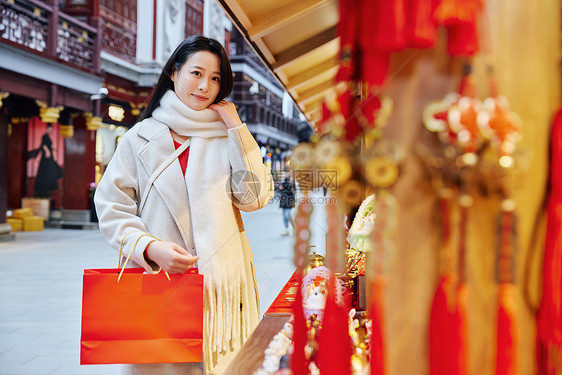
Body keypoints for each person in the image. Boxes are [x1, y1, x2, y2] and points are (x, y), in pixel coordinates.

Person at [94, 35, 274, 375]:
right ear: (174, 73)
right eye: (196, 73)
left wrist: (236, 128)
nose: (205, 85)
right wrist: (149, 248)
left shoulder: (227, 137)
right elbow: (111, 205)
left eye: (216, 78)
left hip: (221, 291)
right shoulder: (140, 136)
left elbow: (254, 198)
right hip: (159, 282)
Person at [32, 124, 62, 198]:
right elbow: (44, 145)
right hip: (46, 156)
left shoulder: (47, 136)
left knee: (50, 172)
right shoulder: (44, 136)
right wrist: (47, 151)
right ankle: (42, 190)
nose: (50, 130)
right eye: (49, 129)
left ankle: (48, 190)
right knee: (45, 171)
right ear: (47, 128)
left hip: (49, 156)